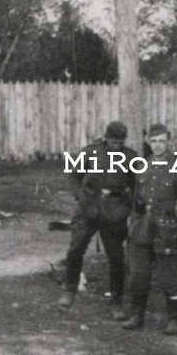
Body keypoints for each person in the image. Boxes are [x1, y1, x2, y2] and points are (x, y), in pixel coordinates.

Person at [122, 123, 177, 334]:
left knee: (169, 276)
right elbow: (137, 197)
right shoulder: (143, 164)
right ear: (148, 142)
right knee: (138, 274)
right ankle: (137, 316)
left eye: (162, 141)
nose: (158, 146)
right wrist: (131, 222)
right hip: (141, 226)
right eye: (153, 141)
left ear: (169, 142)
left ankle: (174, 320)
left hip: (167, 227)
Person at [62, 121, 139, 318]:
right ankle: (69, 289)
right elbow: (73, 175)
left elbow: (137, 184)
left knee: (116, 258)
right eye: (113, 141)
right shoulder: (90, 153)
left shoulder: (130, 156)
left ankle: (116, 302)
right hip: (88, 208)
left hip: (115, 211)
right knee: (76, 247)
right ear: (106, 138)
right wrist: (80, 196)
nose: (116, 145)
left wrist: (127, 206)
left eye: (120, 142)